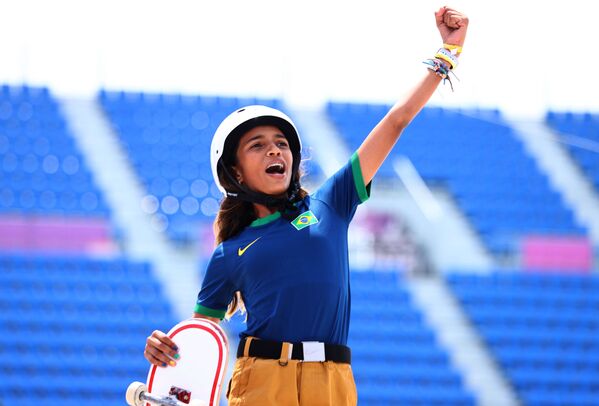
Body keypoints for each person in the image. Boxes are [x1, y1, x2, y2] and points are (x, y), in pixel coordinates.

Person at [144, 6, 469, 405]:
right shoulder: (229, 252)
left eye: (281, 143)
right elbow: (199, 346)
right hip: (260, 383)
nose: (274, 150)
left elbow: (397, 120)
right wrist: (165, 349)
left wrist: (447, 54)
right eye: (257, 145)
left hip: (333, 383)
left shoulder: (332, 201)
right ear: (236, 173)